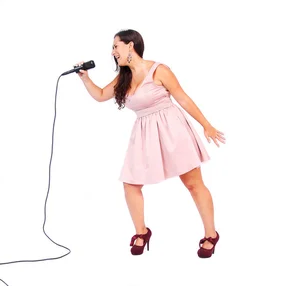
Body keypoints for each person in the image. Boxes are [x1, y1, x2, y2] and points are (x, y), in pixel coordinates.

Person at [75, 29, 225, 258]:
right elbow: (101, 95)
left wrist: (207, 125)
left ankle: (211, 234)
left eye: (116, 46)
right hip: (144, 134)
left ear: (130, 46)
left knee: (194, 184)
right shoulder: (123, 78)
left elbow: (182, 97)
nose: (113, 51)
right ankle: (141, 232)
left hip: (173, 130)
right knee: (130, 184)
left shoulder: (159, 70)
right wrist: (85, 79)